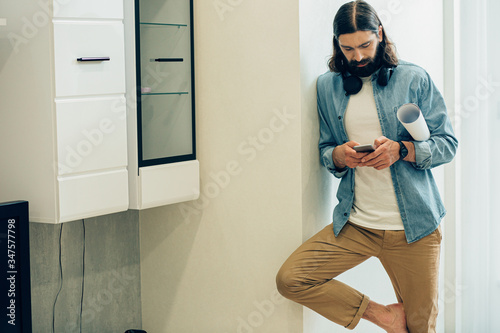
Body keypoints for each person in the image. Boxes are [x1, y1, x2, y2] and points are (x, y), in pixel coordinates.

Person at [276, 1, 458, 332]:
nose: (357, 56)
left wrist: (402, 150)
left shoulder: (413, 78)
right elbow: (325, 149)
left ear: (380, 35)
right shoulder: (327, 87)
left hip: (414, 228)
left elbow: (447, 144)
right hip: (357, 223)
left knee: (421, 328)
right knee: (292, 279)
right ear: (337, 44)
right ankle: (386, 316)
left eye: (365, 45)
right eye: (348, 48)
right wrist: (338, 157)